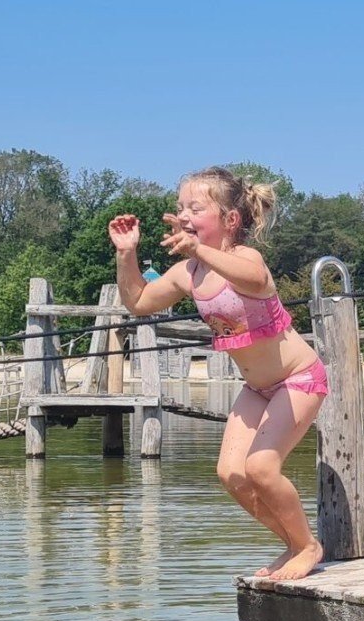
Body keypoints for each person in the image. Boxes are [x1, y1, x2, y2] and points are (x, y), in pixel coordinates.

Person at [109, 166, 327, 580]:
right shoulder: (188, 274)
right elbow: (138, 301)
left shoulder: (246, 258)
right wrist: (127, 254)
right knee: (231, 474)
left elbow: (257, 279)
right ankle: (295, 544)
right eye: (180, 207)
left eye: (196, 207)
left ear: (230, 220)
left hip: (299, 378)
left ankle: (308, 547)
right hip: (258, 387)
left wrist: (197, 250)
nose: (185, 214)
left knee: (262, 468)